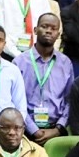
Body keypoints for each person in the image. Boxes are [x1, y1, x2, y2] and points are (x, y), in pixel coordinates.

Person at [19, 12, 74, 143]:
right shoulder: (19, 62)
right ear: (35, 30)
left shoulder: (65, 63)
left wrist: (58, 129)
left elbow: (69, 100)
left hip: (56, 131)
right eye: (44, 26)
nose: (49, 31)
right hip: (25, 132)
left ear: (58, 34)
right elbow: (16, 101)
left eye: (53, 28)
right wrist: (33, 129)